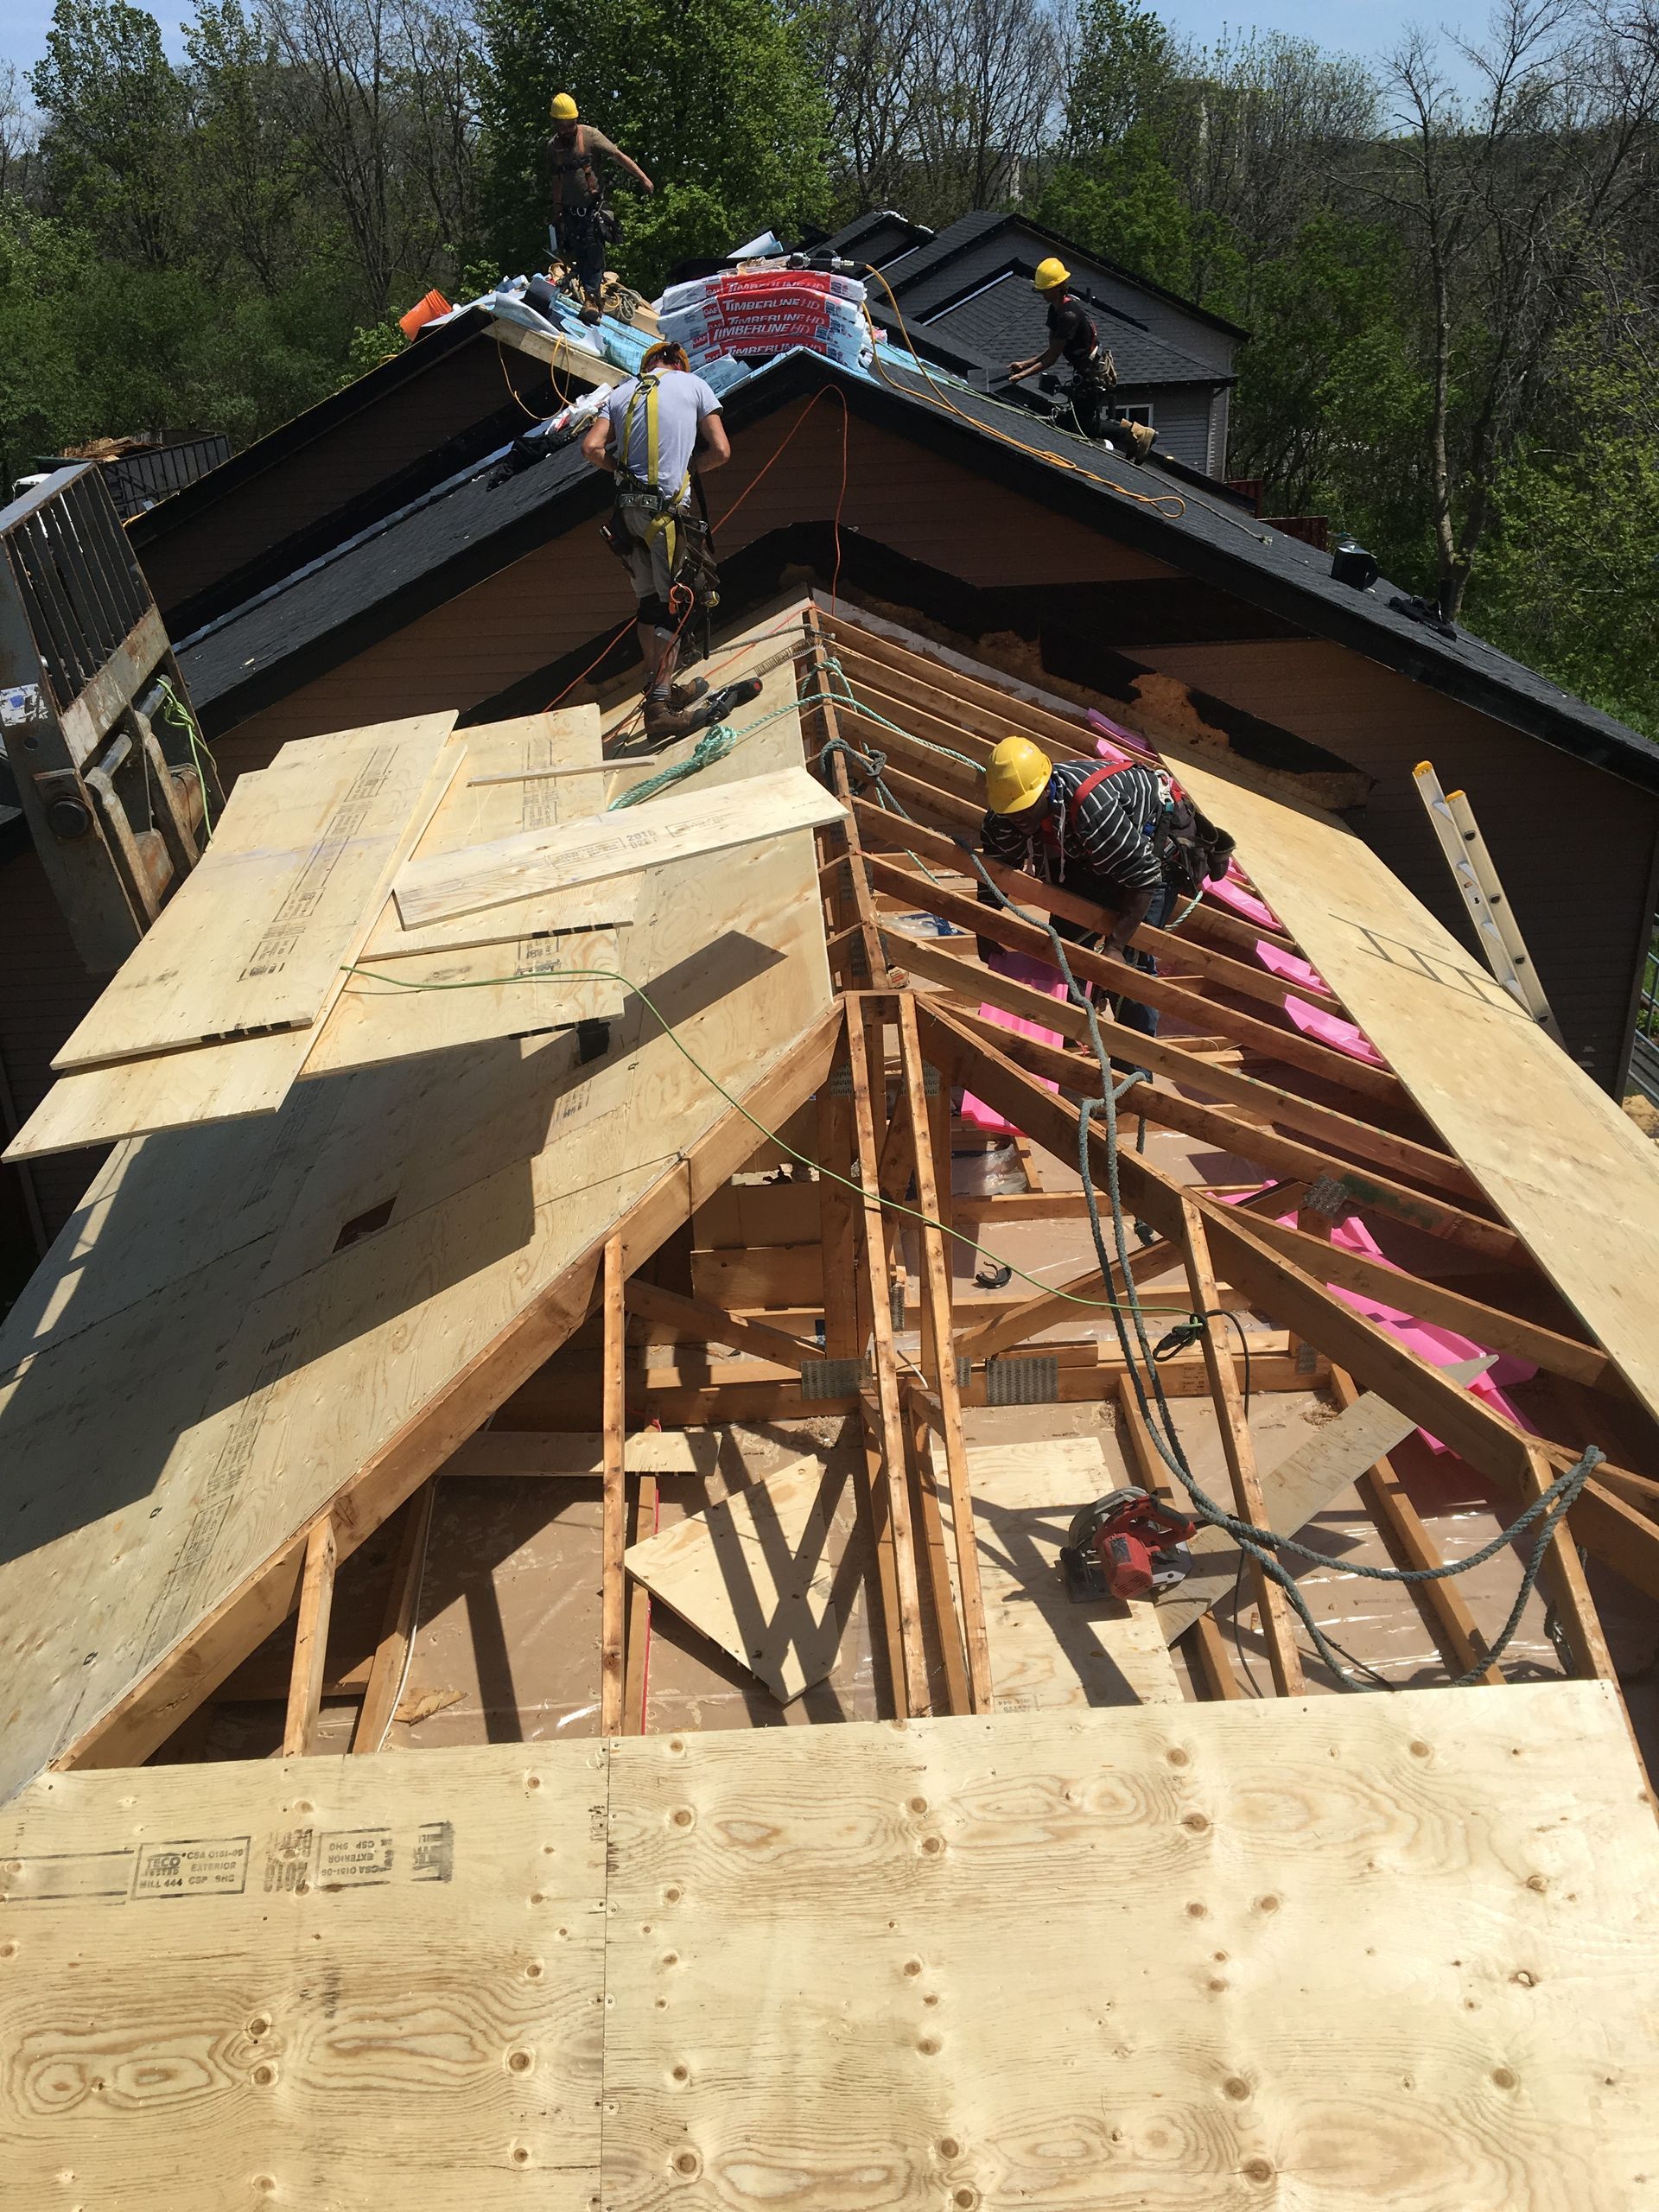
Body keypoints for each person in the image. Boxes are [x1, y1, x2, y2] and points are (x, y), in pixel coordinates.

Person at [977, 734, 1233, 1039]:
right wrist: (985, 926)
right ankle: (1073, 1035)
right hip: (1094, 853)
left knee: (1129, 966)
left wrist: (1115, 946)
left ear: (1046, 789)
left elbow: (1144, 877)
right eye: (1010, 811)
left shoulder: (1092, 809)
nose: (1018, 818)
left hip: (1154, 855)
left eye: (1024, 809)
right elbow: (996, 870)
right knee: (1067, 942)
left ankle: (1134, 1067)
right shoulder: (1005, 815)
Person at [581, 340, 734, 741]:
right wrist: (688, 469)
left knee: (649, 604)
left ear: (646, 366)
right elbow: (720, 451)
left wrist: (622, 472)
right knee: (676, 605)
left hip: (626, 516)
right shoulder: (694, 385)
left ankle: (658, 690)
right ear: (678, 365)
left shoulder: (620, 394)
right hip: (666, 515)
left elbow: (591, 448)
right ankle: (660, 709)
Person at [1007, 259, 1157, 464]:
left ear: (1059, 288)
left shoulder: (1069, 315)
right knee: (1071, 423)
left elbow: (1052, 358)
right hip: (1083, 372)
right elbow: (1052, 350)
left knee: (1086, 427)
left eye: (1047, 289)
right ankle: (1135, 434)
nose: (1043, 294)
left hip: (1093, 375)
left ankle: (1137, 435)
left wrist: (1023, 375)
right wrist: (1024, 364)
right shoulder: (1055, 311)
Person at [544, 92, 653, 321]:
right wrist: (556, 211)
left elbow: (617, 155)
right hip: (570, 213)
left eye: (570, 125)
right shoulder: (553, 148)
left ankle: (592, 301)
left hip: (593, 211)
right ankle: (586, 292)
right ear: (555, 123)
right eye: (562, 126)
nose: (567, 130)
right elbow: (556, 180)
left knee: (594, 253)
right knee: (578, 255)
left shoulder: (591, 137)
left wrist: (642, 177)